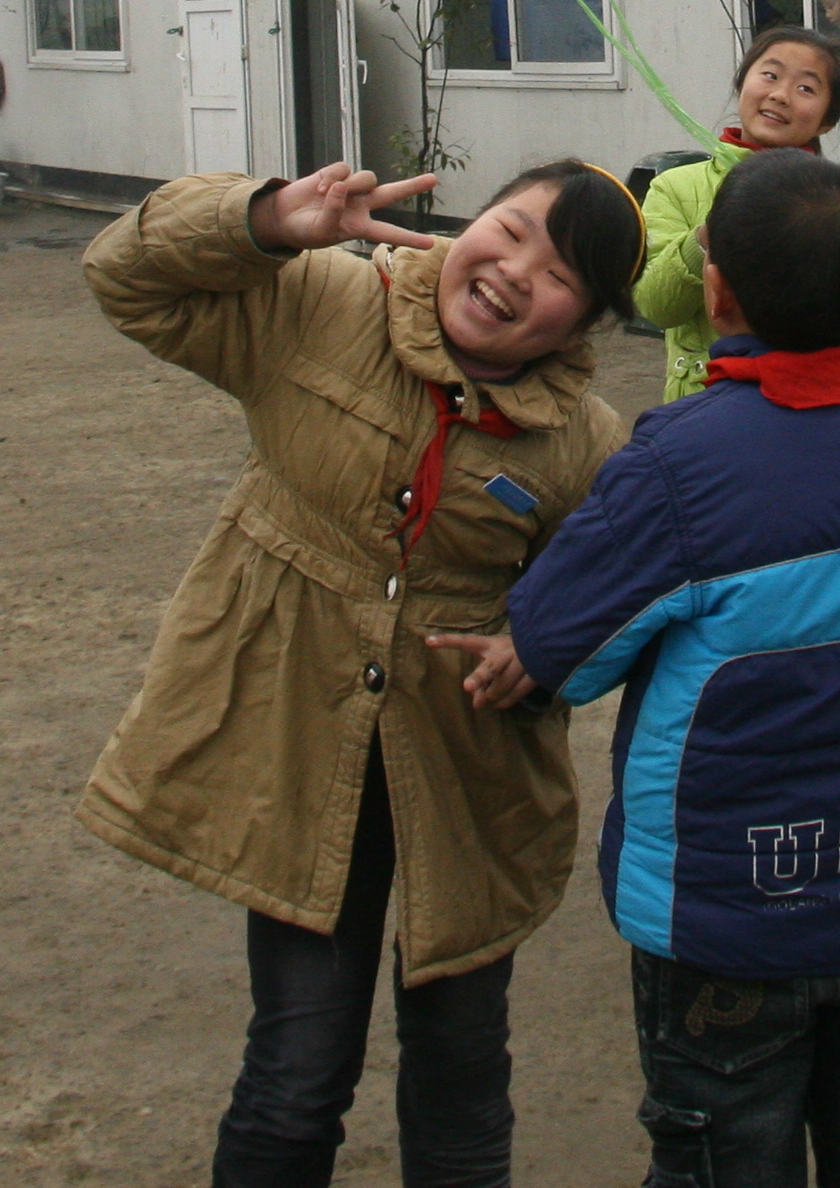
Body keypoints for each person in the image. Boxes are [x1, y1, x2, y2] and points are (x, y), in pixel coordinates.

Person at [75, 157, 642, 1188]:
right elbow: (125, 277)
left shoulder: (584, 446)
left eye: (557, 273)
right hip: (291, 746)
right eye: (511, 229)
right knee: (296, 1070)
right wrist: (257, 220)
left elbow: (616, 594)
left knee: (464, 1077)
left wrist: (542, 649)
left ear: (585, 323)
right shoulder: (328, 299)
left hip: (471, 781)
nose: (514, 270)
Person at [451, 152, 840, 1187]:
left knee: (725, 1147)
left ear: (716, 286)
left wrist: (520, 653)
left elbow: (562, 645)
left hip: (729, 908)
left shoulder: (681, 458)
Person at [631, 24, 840, 403]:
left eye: (806, 88)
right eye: (770, 75)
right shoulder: (676, 187)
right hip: (700, 405)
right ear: (741, 83)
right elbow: (656, 306)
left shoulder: (838, 201)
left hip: (804, 402)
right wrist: (708, 234)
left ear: (827, 119)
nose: (780, 95)